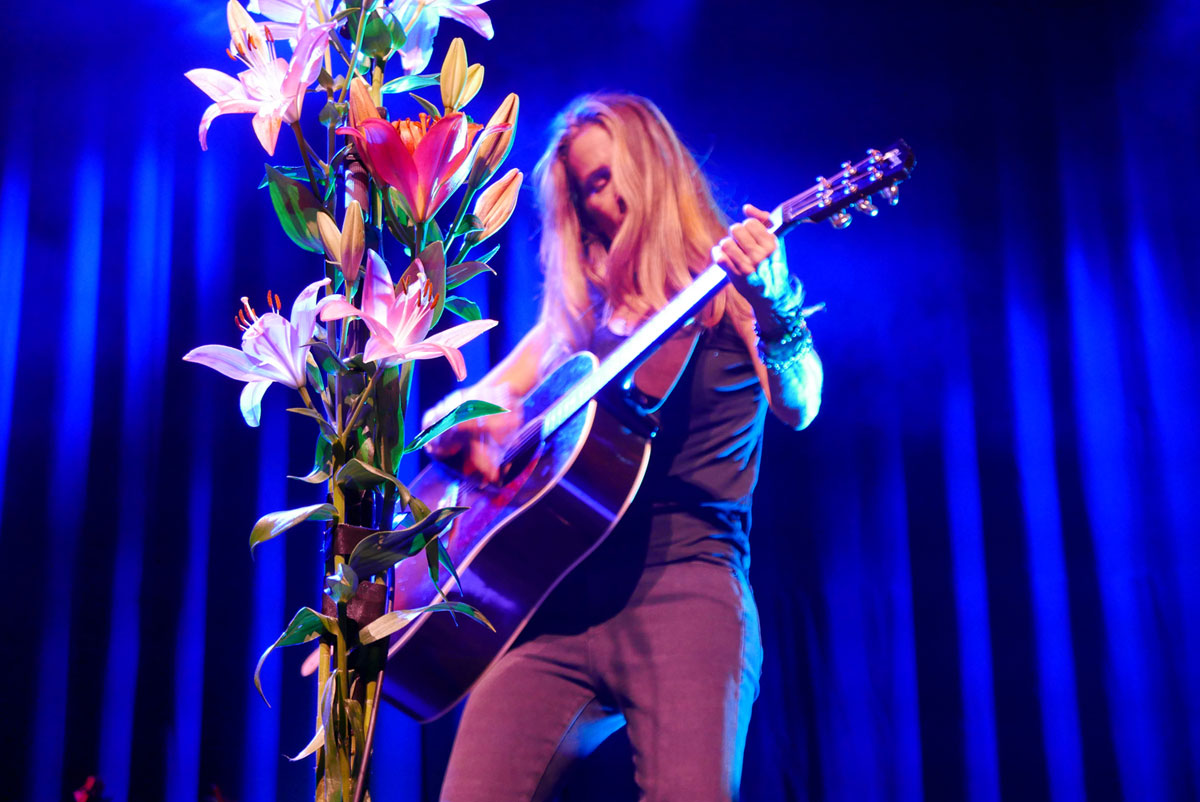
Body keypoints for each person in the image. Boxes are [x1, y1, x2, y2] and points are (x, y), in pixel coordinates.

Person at [426, 93, 823, 802]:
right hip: (558, 604)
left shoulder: (730, 283)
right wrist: (470, 428)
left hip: (688, 590)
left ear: (658, 167)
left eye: (616, 174)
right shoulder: (579, 318)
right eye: (591, 188)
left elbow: (802, 402)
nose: (610, 200)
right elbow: (460, 410)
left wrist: (777, 307)